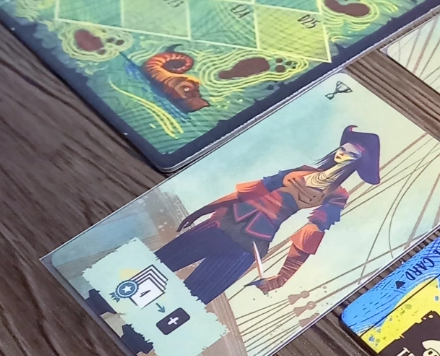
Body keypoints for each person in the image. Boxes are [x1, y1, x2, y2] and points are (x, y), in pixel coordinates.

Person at [156, 126, 381, 303]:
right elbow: (251, 190)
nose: (343, 154)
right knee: (157, 265)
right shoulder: (302, 171)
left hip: (249, 246)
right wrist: (203, 210)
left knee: (190, 300)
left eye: (352, 154)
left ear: (359, 161)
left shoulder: (337, 194)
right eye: (344, 148)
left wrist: (282, 277)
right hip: (222, 224)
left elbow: (312, 231)